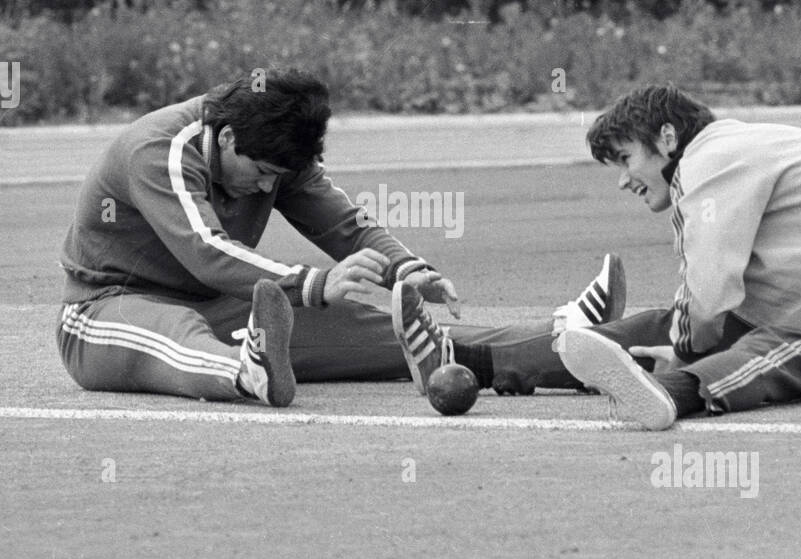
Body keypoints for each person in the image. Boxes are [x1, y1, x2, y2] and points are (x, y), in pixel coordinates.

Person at [393, 84, 801, 430]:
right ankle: (462, 357)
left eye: (624, 158)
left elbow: (710, 295)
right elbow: (704, 307)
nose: (622, 181)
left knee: (758, 346)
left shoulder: (711, 159)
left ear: (666, 138)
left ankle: (673, 393)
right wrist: (678, 338)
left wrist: (683, 351)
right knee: (643, 328)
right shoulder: (724, 154)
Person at [55, 68, 620, 406]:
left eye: (281, 178)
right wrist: (315, 284)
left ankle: (563, 342)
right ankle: (245, 374)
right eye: (263, 174)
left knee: (404, 339)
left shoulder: (274, 149)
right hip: (107, 313)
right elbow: (206, 252)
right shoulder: (160, 151)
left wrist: (406, 270)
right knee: (178, 333)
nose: (269, 187)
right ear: (225, 139)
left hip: (227, 308)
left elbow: (341, 222)